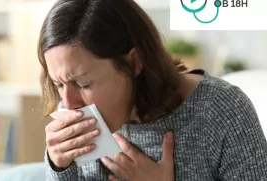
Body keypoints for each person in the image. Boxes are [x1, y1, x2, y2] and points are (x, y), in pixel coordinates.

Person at [37, 0, 267, 180]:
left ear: (134, 62)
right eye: (59, 84)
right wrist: (59, 166)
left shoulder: (222, 109)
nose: (68, 104)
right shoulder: (73, 111)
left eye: (83, 84)